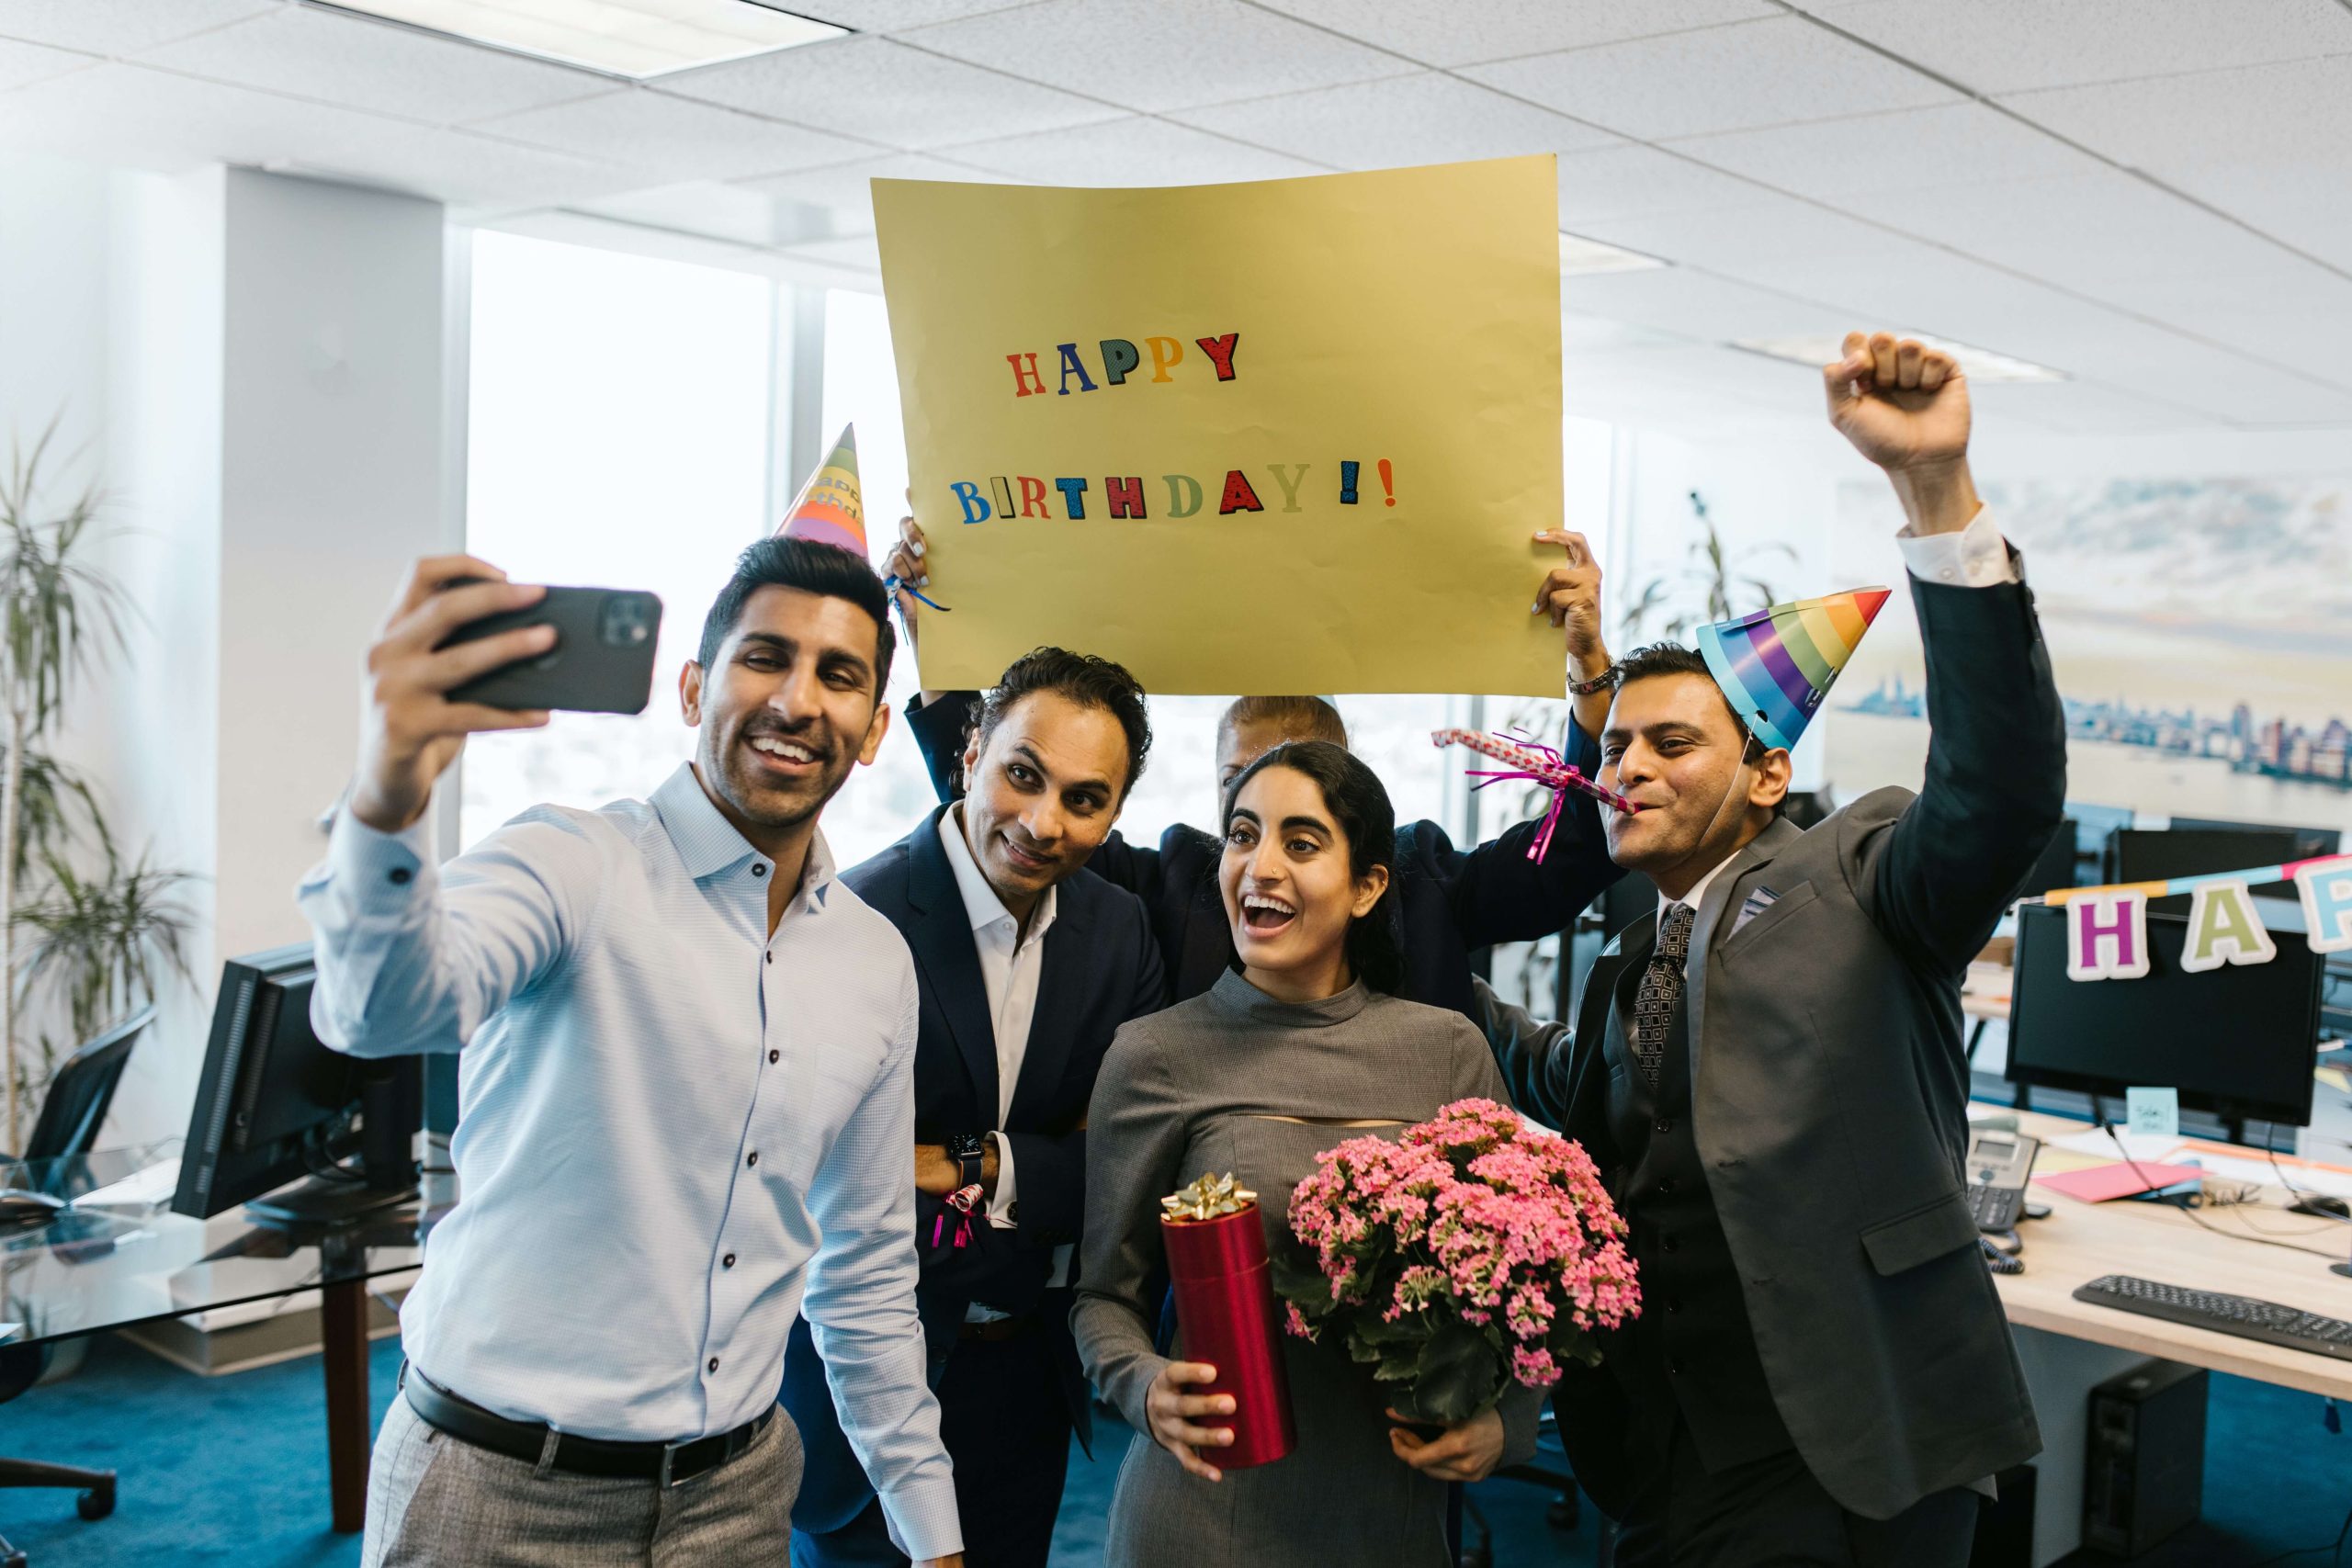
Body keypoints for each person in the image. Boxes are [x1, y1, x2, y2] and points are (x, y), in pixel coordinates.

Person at [1479, 332, 2065, 1567]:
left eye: (1672, 745)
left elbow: (2000, 792)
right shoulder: (1638, 937)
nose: (1627, 768)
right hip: (1667, 1447)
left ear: (1767, 772)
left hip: (1859, 1443)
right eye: (1617, 747)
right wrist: (1405, 962)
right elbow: (1574, 1089)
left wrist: (1934, 496)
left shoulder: (1862, 875)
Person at [300, 539, 964, 1568]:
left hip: (738, 1500)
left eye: (838, 675)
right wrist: (387, 796)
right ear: (695, 685)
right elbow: (384, 1014)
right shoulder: (574, 860)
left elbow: (866, 1270)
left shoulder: (877, 962)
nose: (797, 700)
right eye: (763, 658)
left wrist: (932, 1532)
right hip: (496, 1492)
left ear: (875, 728)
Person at [1072, 740, 1544, 1567]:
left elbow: (1528, 1276)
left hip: (1390, 1516)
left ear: (1367, 886)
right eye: (1243, 834)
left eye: (1301, 841)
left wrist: (1509, 1422)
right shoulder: (1154, 1055)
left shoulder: (1446, 1050)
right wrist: (1142, 1386)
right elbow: (1103, 1296)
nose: (1260, 865)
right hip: (1201, 1516)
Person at [884, 517, 1625, 1021]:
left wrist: (1589, 666)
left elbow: (1566, 859)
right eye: (1239, 784)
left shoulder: (1420, 879)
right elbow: (1019, 826)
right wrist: (943, 653)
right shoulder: (1174, 880)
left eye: (1298, 781)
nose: (1264, 807)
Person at [784, 648, 1167, 1568]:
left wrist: (963, 1164)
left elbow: (1130, 1163)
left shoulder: (1118, 931)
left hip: (1024, 1388)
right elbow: (827, 1185)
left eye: (1085, 799)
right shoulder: (849, 921)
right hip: (864, 1387)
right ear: (970, 753)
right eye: (1022, 776)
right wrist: (1044, 1159)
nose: (1043, 823)